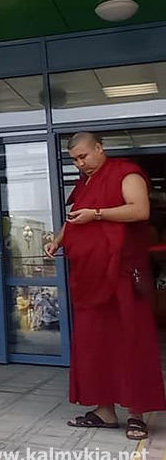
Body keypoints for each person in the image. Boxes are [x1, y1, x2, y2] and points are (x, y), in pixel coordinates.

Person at [45, 132, 165, 440]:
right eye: (74, 159)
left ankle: (137, 414)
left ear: (100, 148)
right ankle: (104, 411)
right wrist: (58, 240)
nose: (80, 163)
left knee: (131, 341)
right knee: (94, 344)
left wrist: (97, 214)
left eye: (84, 156)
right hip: (91, 277)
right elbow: (74, 217)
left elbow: (140, 210)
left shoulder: (126, 173)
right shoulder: (84, 183)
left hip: (123, 275)